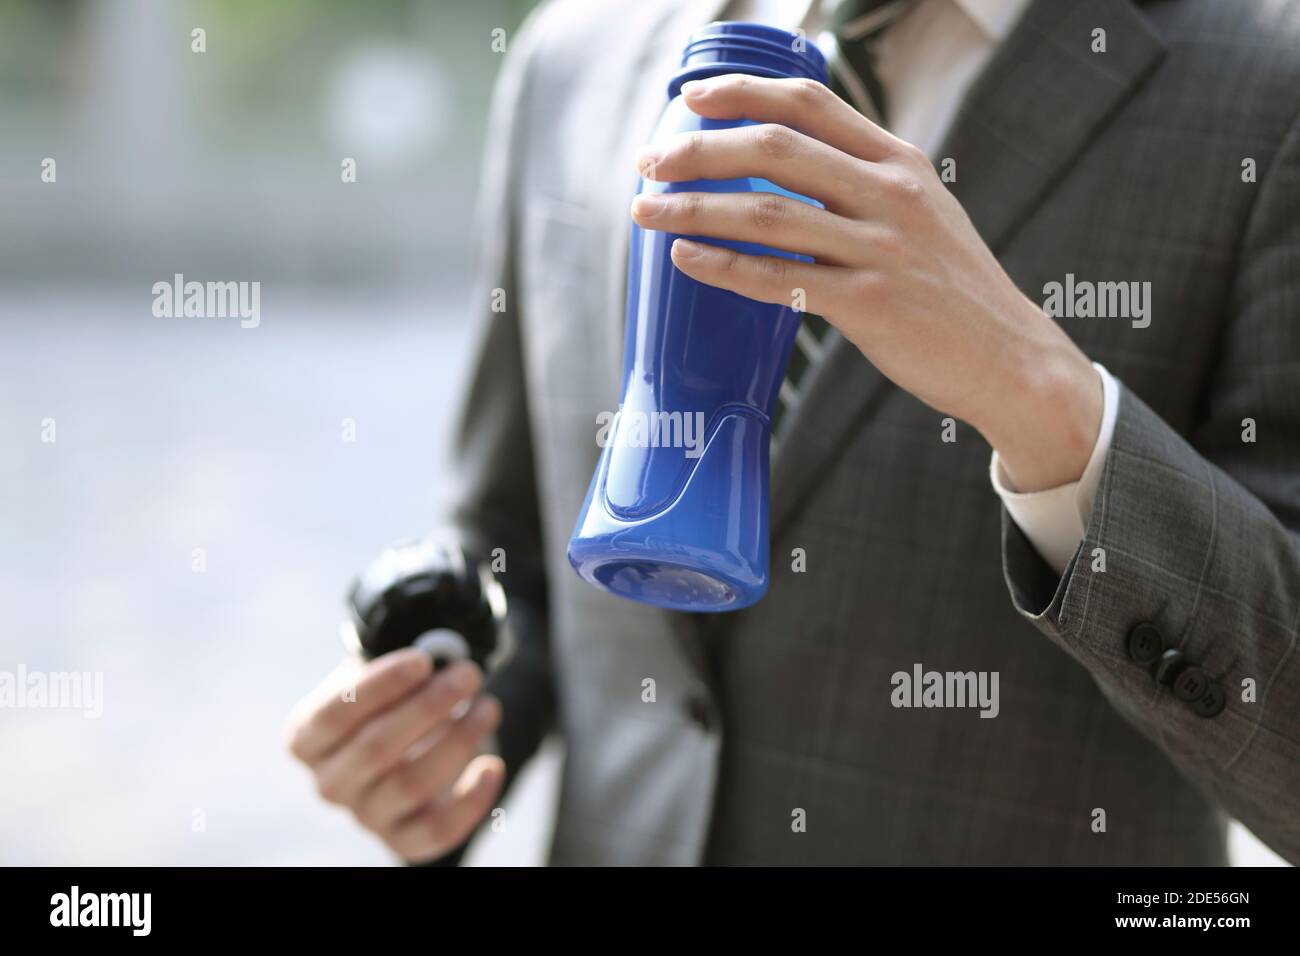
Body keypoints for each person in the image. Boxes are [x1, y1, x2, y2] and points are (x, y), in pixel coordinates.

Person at [286, 0, 1300, 865]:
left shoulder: (1267, 83)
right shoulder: (573, 55)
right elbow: (517, 546)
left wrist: (1042, 399)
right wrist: (434, 718)